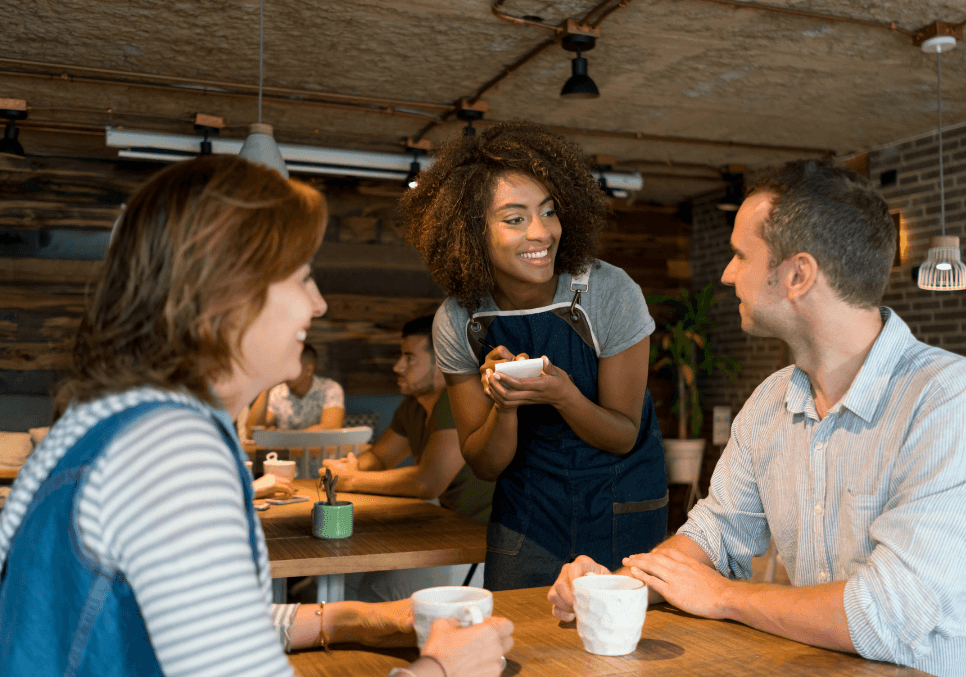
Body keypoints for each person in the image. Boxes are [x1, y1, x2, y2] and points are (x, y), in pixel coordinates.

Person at [0, 155, 512, 677]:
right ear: (228, 294)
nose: (317, 303)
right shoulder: (175, 449)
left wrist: (354, 619)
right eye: (302, 277)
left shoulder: (108, 417)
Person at [547, 158, 966, 677]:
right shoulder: (770, 404)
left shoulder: (952, 400)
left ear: (798, 275)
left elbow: (883, 617)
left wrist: (725, 597)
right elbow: (716, 537)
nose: (726, 274)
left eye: (741, 255)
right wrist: (619, 586)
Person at [400, 122, 668, 592]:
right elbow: (484, 464)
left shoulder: (608, 292)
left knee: (617, 653)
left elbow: (623, 436)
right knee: (523, 646)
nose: (542, 233)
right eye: (515, 218)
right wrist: (505, 405)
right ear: (471, 232)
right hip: (526, 517)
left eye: (548, 212)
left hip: (620, 505)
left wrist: (563, 395)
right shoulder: (458, 319)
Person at [322, 316, 494, 601]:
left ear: (444, 363)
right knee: (346, 581)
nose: (397, 367)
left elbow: (427, 482)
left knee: (364, 591)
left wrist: (349, 479)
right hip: (448, 530)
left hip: (480, 547)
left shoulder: (457, 400)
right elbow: (379, 456)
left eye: (409, 358)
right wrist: (353, 466)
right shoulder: (413, 405)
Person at [247, 343, 346, 430]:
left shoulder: (330, 389)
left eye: (290, 366)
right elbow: (253, 432)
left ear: (308, 370)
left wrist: (285, 438)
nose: (284, 371)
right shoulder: (277, 392)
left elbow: (331, 427)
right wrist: (267, 386)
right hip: (284, 451)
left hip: (318, 451)